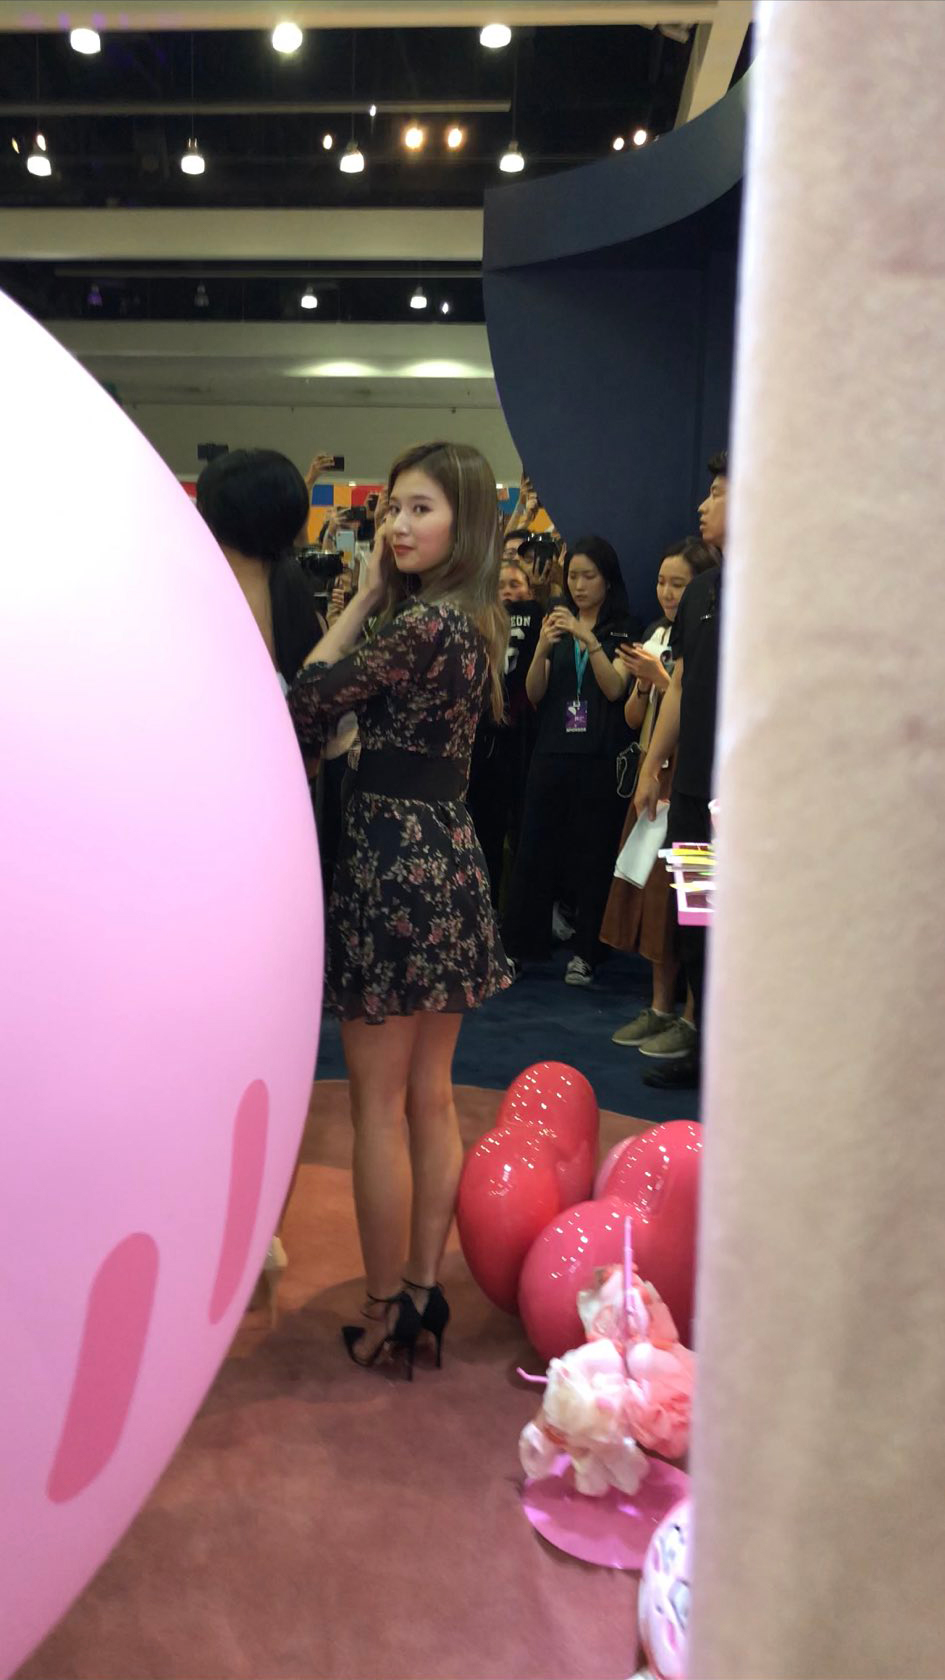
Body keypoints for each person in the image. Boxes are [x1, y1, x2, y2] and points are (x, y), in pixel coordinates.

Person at [287, 441, 513, 1375]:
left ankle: (385, 1306)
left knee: (380, 1104)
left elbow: (306, 693)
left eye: (421, 509)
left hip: (389, 860)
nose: (397, 526)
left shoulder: (421, 625)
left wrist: (364, 598)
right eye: (393, 509)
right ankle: (421, 1289)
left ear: (464, 521)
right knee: (429, 1094)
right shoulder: (474, 621)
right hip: (448, 855)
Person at [196, 446, 326, 1322]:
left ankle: (216, 1234)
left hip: (201, 855)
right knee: (270, 1055)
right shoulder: (299, 601)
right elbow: (317, 734)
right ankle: (255, 1236)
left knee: (206, 1050)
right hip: (283, 852)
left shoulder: (194, 597)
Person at [502, 536, 639, 986]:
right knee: (533, 851)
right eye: (573, 576)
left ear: (607, 580)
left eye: (588, 577)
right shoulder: (554, 622)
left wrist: (589, 640)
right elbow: (534, 693)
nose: (578, 586)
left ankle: (586, 952)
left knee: (593, 855)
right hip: (552, 750)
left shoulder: (623, 628)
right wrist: (543, 647)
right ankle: (519, 948)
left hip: (598, 756)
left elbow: (615, 689)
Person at [632, 450, 728, 1090]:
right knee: (699, 921)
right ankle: (704, 1049)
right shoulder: (700, 592)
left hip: (749, 798)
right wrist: (651, 765)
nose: (703, 504)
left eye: (718, 492)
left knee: (747, 928)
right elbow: (683, 684)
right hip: (692, 789)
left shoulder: (784, 588)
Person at [601, 538, 718, 1056]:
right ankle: (661, 1005)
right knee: (653, 895)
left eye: (679, 583)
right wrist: (647, 688)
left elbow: (694, 693)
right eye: (662, 582)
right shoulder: (663, 628)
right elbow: (640, 712)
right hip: (665, 776)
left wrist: (663, 679)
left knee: (692, 902)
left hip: (705, 779)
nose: (669, 593)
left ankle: (695, 1016)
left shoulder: (733, 609)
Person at [467, 559, 542, 906]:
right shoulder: (476, 622)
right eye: (501, 586)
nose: (509, 593)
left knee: (526, 829)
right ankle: (488, 907)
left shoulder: (541, 618)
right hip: (487, 741)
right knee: (488, 831)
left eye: (516, 584)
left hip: (528, 738)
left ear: (531, 589)